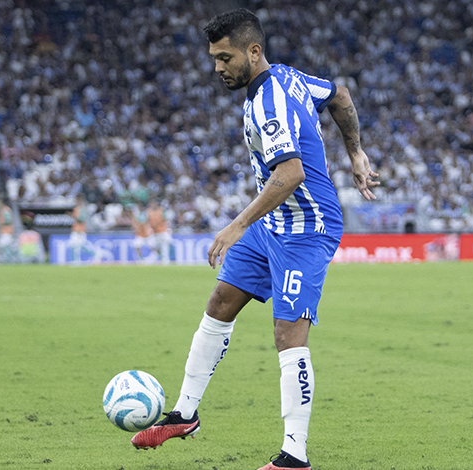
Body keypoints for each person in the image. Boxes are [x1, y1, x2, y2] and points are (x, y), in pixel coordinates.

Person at [130, 9, 380, 470]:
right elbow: (339, 95)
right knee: (220, 302)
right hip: (275, 221)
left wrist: (237, 224)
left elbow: (291, 172)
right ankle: (185, 414)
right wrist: (356, 152)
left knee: (288, 333)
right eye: (214, 58)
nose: (218, 67)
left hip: (307, 227)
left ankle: (294, 456)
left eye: (225, 58)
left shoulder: (270, 102)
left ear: (253, 51)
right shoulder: (287, 78)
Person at [148, 199, 173, 264]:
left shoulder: (161, 210)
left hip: (162, 231)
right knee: (151, 244)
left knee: (164, 246)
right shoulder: (149, 211)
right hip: (155, 232)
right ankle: (160, 257)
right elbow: (148, 221)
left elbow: (167, 219)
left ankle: (165, 261)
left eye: (154, 204)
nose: (153, 205)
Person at [67, 194, 90, 262]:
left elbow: (81, 219)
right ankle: (75, 261)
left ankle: (95, 254)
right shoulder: (76, 209)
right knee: (73, 245)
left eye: (77, 200)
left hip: (80, 230)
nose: (76, 201)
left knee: (80, 246)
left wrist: (73, 216)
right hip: (75, 229)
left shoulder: (82, 209)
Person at [0, 198, 18, 263]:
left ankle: (10, 259)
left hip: (7, 230)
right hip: (5, 231)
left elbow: (8, 219)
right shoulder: (4, 210)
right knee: (5, 245)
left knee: (5, 245)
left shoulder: (5, 209)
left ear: (1, 203)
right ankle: (9, 259)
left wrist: (0, 223)